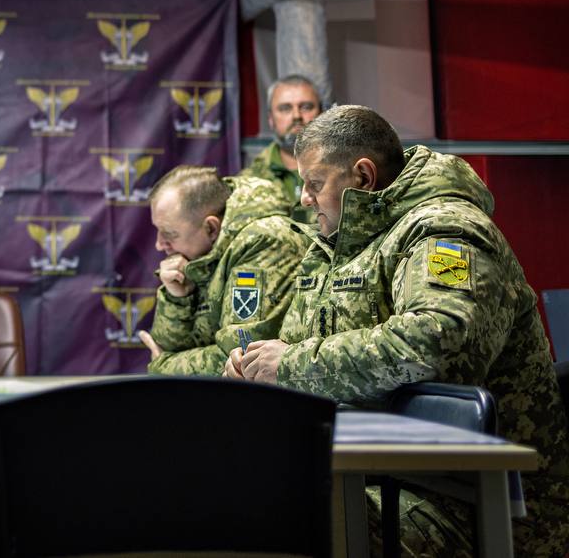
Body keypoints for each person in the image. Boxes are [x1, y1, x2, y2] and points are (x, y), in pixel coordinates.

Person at [225, 105, 569, 556]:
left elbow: (437, 341)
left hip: (475, 505)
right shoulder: (337, 245)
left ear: (363, 177)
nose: (305, 199)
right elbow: (296, 348)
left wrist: (289, 365)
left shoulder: (445, 228)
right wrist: (256, 371)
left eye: (315, 184)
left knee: (273, 521)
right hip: (378, 476)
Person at [139, 166, 307, 376]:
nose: (159, 244)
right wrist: (178, 298)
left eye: (169, 234)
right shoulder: (198, 254)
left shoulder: (263, 241)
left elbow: (241, 356)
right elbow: (167, 346)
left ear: (211, 228)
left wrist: (163, 367)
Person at [240, 74, 323, 223]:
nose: (296, 116)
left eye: (306, 107)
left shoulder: (344, 172)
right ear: (271, 119)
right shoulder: (249, 180)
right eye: (285, 108)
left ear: (322, 113)